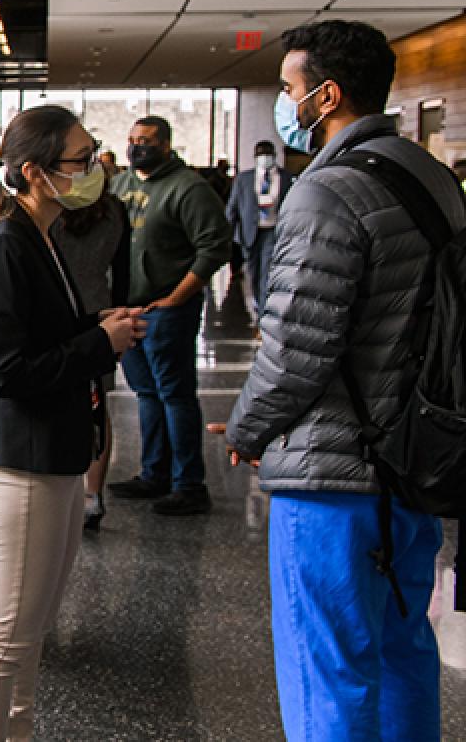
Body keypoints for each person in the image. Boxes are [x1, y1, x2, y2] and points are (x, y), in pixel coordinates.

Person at [224, 20, 465, 742]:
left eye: (291, 89)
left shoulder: (328, 192)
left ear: (325, 95)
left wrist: (246, 428)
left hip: (331, 472)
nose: (286, 103)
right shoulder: (434, 180)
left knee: (327, 670)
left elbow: (297, 347)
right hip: (412, 463)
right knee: (402, 657)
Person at [0, 105, 144, 741]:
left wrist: (95, 328)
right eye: (80, 161)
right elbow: (9, 368)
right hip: (18, 458)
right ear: (34, 172)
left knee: (30, 629)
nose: (94, 171)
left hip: (51, 453)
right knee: (6, 631)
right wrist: (97, 346)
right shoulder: (6, 241)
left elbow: (40, 336)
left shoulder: (40, 234)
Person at [105, 115, 230, 516]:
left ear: (165, 144)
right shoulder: (122, 184)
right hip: (131, 309)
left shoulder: (188, 188)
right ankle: (153, 473)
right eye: (131, 139)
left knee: (175, 395)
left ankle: (188, 483)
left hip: (167, 309)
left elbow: (214, 248)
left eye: (144, 140)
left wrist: (177, 298)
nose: (136, 146)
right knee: (146, 395)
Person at [50, 169, 131, 530]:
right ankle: (93, 493)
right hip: (102, 312)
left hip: (58, 311)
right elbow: (124, 269)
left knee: (56, 396)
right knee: (98, 404)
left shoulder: (51, 209)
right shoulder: (114, 210)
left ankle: (63, 489)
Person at [226, 140, 294, 315]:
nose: (265, 158)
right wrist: (227, 234)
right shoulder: (244, 179)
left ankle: (264, 314)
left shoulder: (286, 178)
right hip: (249, 233)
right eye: (261, 154)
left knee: (267, 273)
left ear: (274, 156)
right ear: (255, 157)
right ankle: (257, 303)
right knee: (253, 273)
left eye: (268, 154)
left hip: (273, 231)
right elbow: (233, 207)